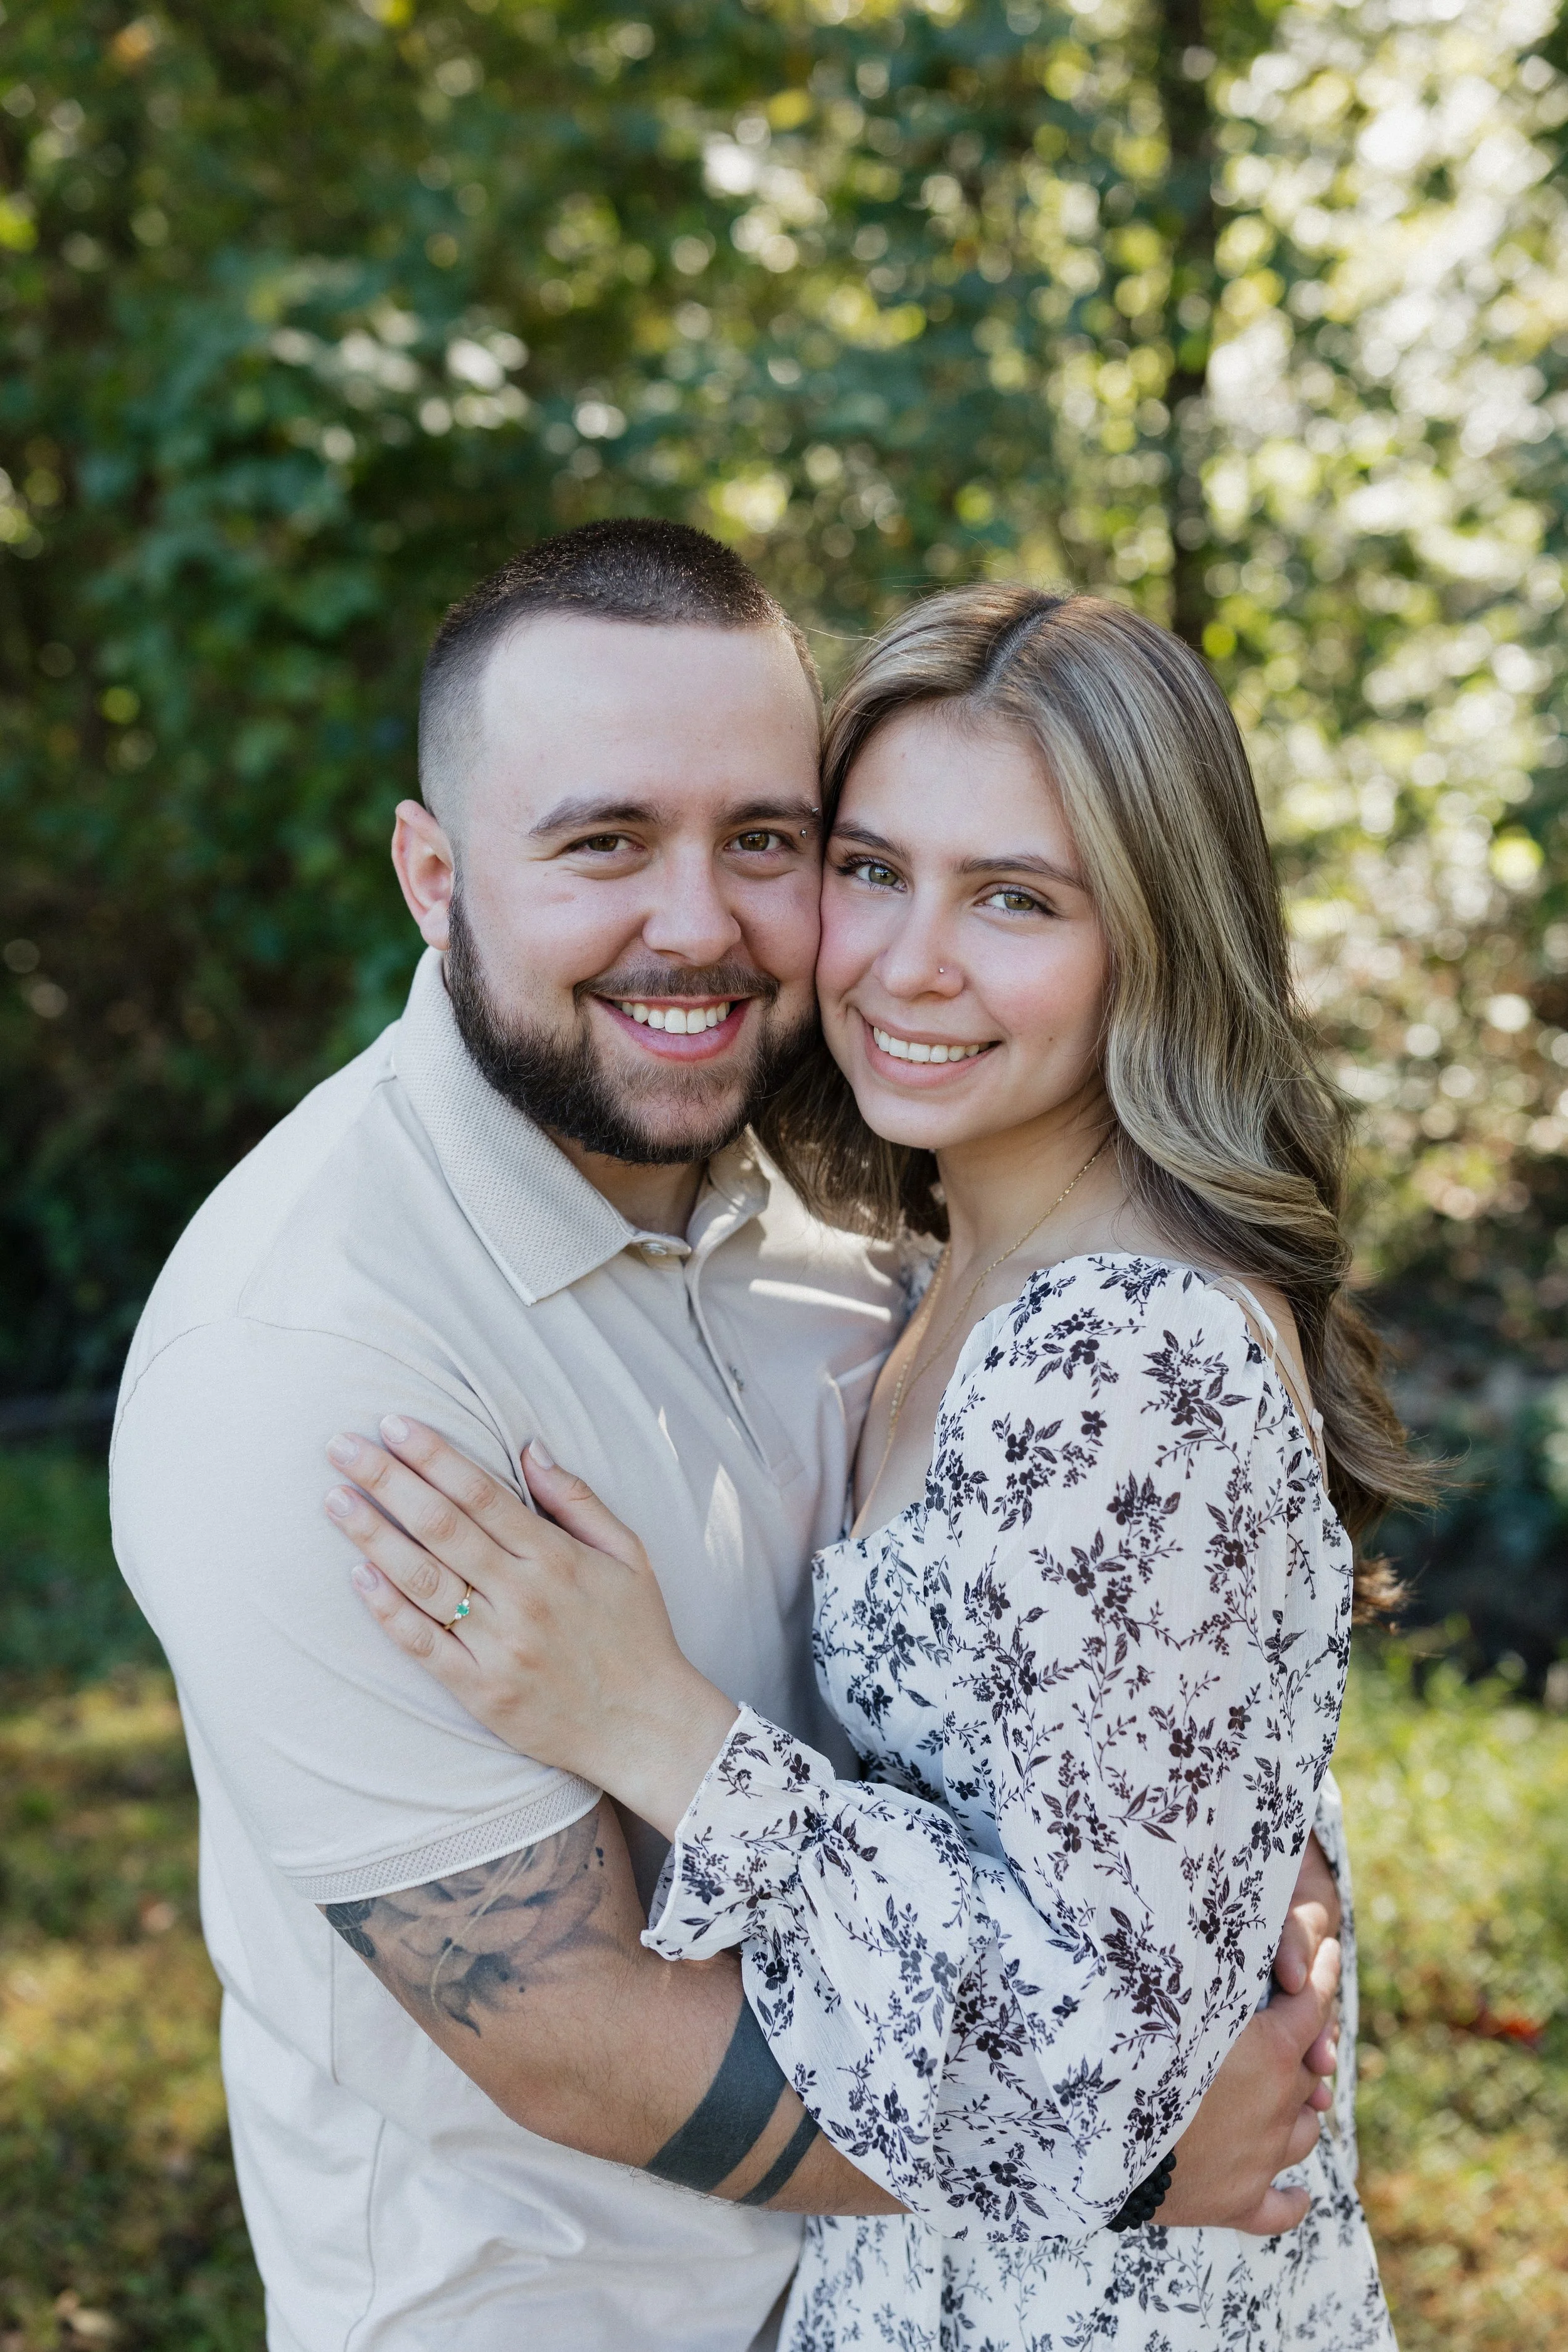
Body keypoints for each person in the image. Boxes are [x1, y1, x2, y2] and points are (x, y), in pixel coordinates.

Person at [113, 525, 1346, 2352]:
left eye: (765, 843)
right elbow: (572, 2030)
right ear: (432, 874)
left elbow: (1117, 1734)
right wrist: (1141, 2144)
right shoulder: (312, 1360)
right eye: (605, 840)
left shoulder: (849, 1253)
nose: (698, 923)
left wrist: (1251, 1862)